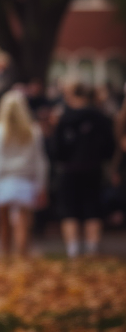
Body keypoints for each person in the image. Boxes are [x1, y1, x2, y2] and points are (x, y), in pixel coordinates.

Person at [52, 84, 114, 257]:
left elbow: (57, 149)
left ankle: (73, 250)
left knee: (69, 209)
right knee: (92, 207)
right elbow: (109, 146)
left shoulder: (64, 119)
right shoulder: (100, 118)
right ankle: (92, 248)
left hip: (69, 169)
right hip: (93, 168)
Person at [0, 89, 49, 258]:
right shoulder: (33, 130)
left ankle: (5, 255)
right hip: (25, 179)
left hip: (3, 179)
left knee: (3, 222)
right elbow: (40, 161)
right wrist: (41, 184)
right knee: (23, 221)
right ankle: (23, 255)